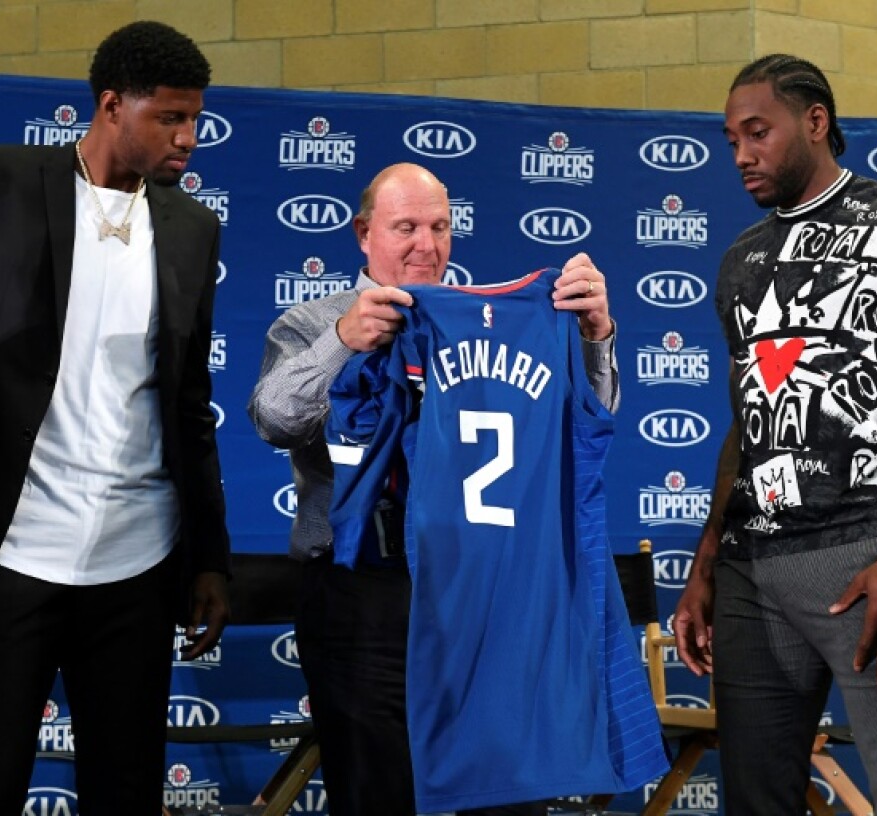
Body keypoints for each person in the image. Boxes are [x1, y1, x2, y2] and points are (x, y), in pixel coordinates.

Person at [0, 21, 231, 814]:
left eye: (194, 118)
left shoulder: (194, 231)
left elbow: (190, 405)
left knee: (125, 795)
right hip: (8, 555)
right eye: (169, 117)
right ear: (110, 105)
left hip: (138, 563)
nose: (189, 137)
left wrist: (211, 558)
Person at [249, 162, 618, 816]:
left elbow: (574, 428)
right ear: (364, 233)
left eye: (440, 226)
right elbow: (275, 419)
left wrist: (594, 340)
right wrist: (342, 341)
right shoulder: (311, 322)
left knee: (507, 793)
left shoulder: (495, 317)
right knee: (375, 790)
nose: (428, 244)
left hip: (483, 588)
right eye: (406, 227)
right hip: (365, 590)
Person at [672, 54, 877, 815]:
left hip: (867, 560)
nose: (742, 153)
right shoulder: (739, 261)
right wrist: (707, 562)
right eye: (731, 139)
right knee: (756, 802)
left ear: (815, 122)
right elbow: (747, 423)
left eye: (758, 133)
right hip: (752, 571)